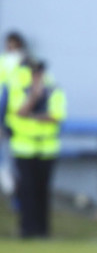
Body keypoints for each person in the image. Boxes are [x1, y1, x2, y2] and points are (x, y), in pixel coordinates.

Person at [4, 59, 66, 238]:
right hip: (23, 147)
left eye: (39, 72)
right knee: (26, 189)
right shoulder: (18, 88)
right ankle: (26, 229)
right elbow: (18, 112)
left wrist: (32, 115)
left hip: (47, 147)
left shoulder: (54, 89)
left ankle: (42, 230)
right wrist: (33, 98)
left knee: (42, 189)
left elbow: (57, 115)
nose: (36, 76)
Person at [0, 32, 28, 195]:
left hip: (19, 119)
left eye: (14, 44)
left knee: (17, 159)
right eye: (8, 44)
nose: (11, 48)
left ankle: (17, 192)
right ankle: (10, 188)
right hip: (6, 116)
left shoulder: (25, 64)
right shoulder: (4, 62)